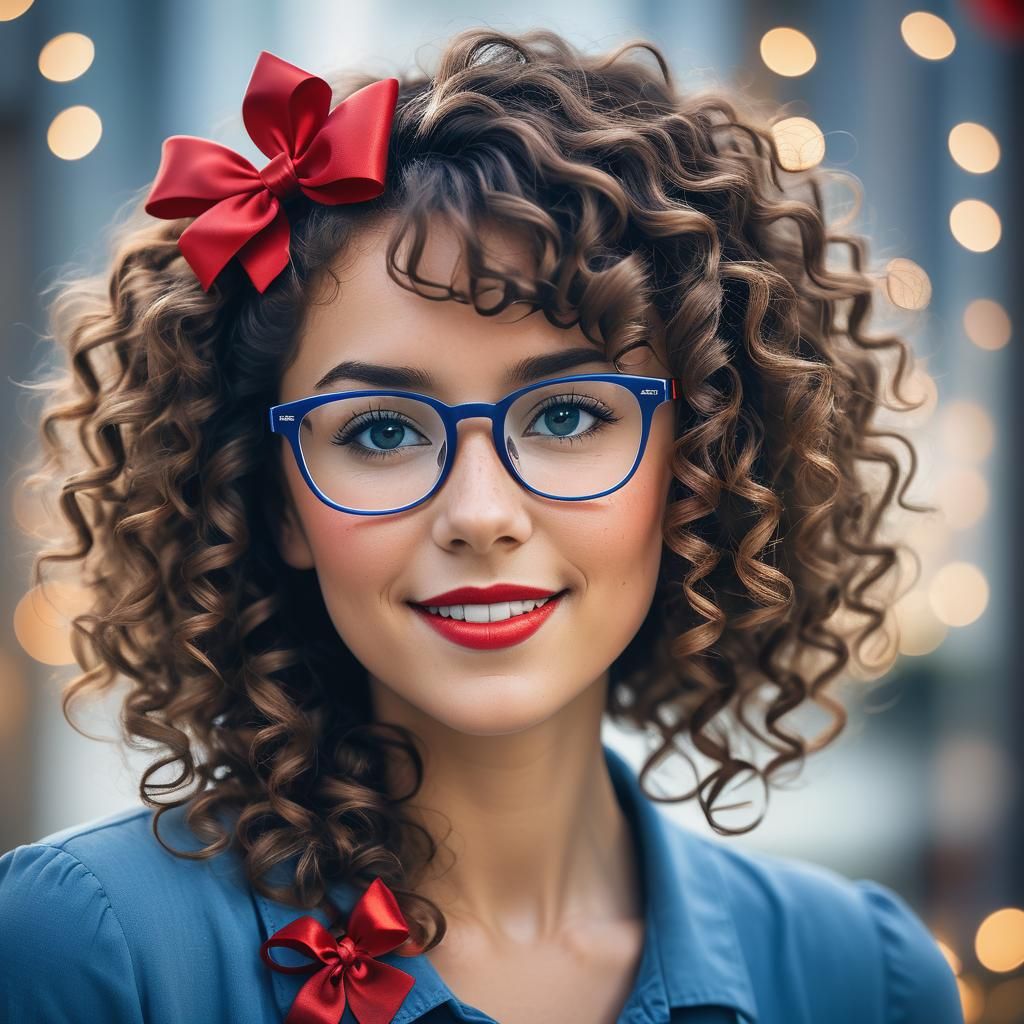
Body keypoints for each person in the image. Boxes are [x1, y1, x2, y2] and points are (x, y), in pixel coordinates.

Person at [0, 26, 964, 1024]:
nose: (480, 514)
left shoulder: (869, 978)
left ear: (701, 464)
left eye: (565, 415)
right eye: (379, 430)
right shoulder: (89, 951)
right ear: (278, 499)